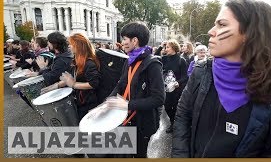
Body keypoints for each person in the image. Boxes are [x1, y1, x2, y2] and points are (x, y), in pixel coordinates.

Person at [172, 0, 271, 157]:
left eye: (222, 24)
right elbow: (183, 117)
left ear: (249, 33)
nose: (211, 31)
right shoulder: (201, 72)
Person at [108, 21, 165, 157]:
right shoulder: (129, 61)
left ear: (135, 41)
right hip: (126, 119)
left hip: (142, 123)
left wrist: (128, 104)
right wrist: (108, 100)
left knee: (139, 155)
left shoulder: (153, 64)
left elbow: (159, 99)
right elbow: (121, 84)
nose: (122, 42)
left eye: (124, 39)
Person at [42, 33, 101, 120]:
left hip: (88, 103)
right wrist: (57, 85)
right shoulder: (76, 61)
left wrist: (74, 85)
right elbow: (71, 78)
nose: (69, 46)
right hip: (80, 101)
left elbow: (93, 84)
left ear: (79, 46)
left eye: (71, 44)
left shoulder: (89, 63)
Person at [162, 39, 188, 133]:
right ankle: (172, 121)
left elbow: (185, 76)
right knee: (167, 107)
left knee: (177, 107)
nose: (166, 49)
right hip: (166, 89)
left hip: (177, 89)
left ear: (173, 48)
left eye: (168, 47)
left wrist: (178, 82)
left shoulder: (182, 60)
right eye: (165, 47)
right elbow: (154, 57)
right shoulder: (164, 58)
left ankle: (176, 124)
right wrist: (161, 46)